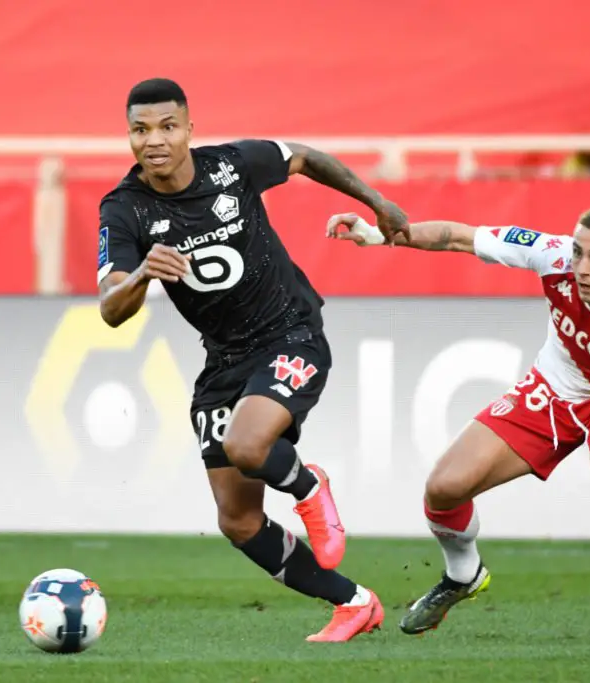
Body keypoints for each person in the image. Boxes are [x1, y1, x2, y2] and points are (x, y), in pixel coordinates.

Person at [97, 78, 408, 642]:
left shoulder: (231, 166)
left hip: (290, 333)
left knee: (247, 445)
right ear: (129, 136)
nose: (154, 140)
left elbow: (304, 157)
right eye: (140, 130)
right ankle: (354, 603)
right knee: (237, 520)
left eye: (167, 127)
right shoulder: (124, 209)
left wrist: (375, 202)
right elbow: (111, 308)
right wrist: (142, 273)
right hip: (224, 361)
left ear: (189, 129)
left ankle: (308, 486)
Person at [325, 204, 590, 642]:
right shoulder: (552, 255)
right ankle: (463, 574)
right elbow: (462, 235)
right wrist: (380, 236)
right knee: (444, 488)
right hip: (552, 387)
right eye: (578, 253)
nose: (582, 268)